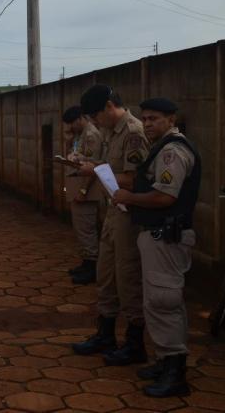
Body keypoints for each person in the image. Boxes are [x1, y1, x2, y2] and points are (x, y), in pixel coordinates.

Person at [113, 98, 200, 398]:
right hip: (158, 236)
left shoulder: (172, 151)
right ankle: (164, 362)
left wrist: (129, 197)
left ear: (171, 119)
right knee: (156, 301)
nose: (148, 123)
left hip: (167, 237)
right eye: (145, 118)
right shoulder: (161, 148)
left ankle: (175, 372)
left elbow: (164, 197)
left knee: (164, 301)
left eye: (155, 119)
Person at [72, 84, 150, 366]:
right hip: (113, 211)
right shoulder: (108, 131)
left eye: (96, 115)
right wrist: (88, 163)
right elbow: (105, 166)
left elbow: (135, 179)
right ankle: (105, 334)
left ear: (108, 106)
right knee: (106, 275)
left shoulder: (133, 132)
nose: (94, 122)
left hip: (129, 216)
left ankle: (135, 342)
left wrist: (95, 170)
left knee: (128, 277)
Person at [62, 105, 103, 285]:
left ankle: (92, 268)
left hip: (86, 191)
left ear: (80, 118)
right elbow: (75, 157)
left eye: (72, 123)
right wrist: (69, 141)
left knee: (87, 230)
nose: (70, 127)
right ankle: (86, 263)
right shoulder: (80, 135)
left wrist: (83, 190)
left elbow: (93, 166)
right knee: (81, 229)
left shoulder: (91, 135)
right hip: (78, 188)